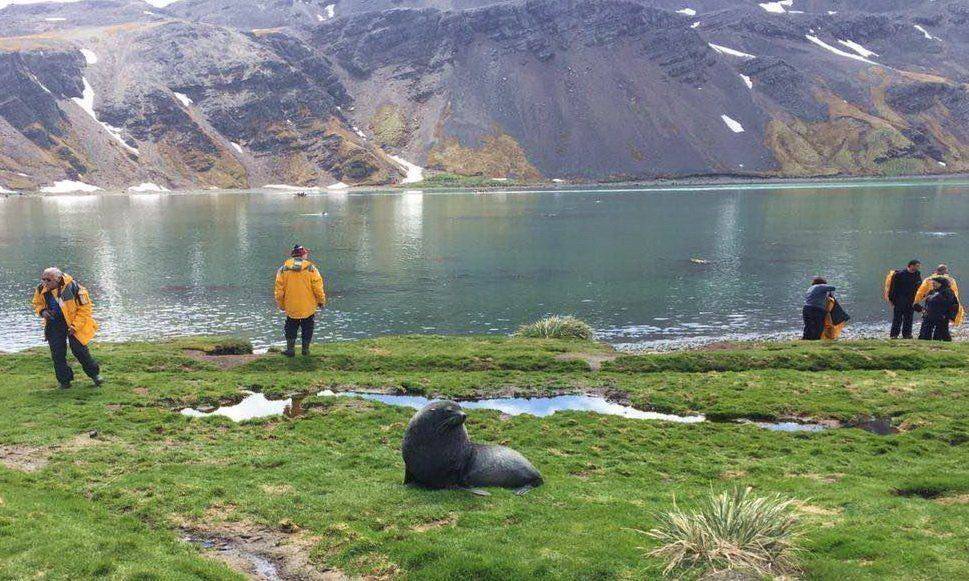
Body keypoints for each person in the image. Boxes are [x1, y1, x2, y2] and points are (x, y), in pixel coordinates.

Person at [30, 267, 103, 389]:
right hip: (54, 324)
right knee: (57, 353)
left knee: (79, 351)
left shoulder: (74, 288)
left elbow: (85, 310)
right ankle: (64, 381)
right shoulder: (41, 288)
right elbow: (37, 303)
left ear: (58, 279)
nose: (45, 283)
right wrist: (42, 312)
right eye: (43, 279)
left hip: (74, 323)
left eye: (49, 280)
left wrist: (75, 326)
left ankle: (95, 375)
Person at [274, 245, 326, 357]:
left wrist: (281, 304)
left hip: (291, 305)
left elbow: (279, 291)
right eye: (306, 253)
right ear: (302, 255)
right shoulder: (312, 269)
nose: (307, 255)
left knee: (290, 327)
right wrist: (321, 301)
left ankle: (290, 350)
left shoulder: (283, 270)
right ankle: (305, 350)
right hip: (308, 306)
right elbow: (318, 288)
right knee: (308, 327)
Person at [883, 259, 922, 339]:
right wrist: (892, 300)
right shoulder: (899, 274)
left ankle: (907, 334)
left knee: (909, 318)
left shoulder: (917, 274)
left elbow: (919, 286)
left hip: (911, 300)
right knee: (897, 318)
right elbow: (893, 288)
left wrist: (918, 299)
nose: (917, 268)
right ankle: (894, 335)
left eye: (918, 266)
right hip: (900, 300)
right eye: (916, 266)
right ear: (911, 265)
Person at [918, 277, 960, 341]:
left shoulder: (948, 291)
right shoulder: (932, 291)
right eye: (932, 283)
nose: (933, 284)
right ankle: (924, 344)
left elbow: (951, 304)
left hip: (941, 316)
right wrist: (924, 310)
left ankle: (944, 345)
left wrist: (948, 315)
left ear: (941, 283)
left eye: (934, 283)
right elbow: (927, 302)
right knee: (925, 332)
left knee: (942, 333)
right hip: (929, 315)